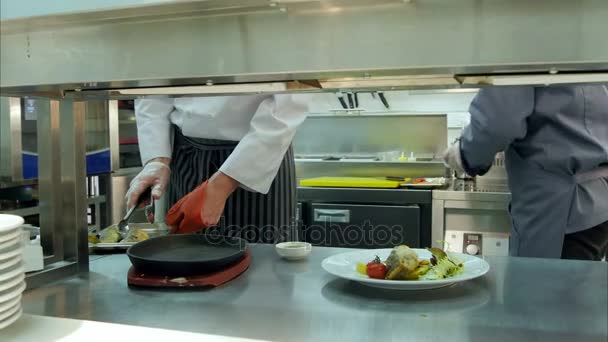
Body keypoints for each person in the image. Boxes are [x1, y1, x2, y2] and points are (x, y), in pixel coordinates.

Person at [443, 84, 608, 260]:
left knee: (537, 285)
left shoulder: (524, 55)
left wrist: (464, 154)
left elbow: (499, 120)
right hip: (597, 203)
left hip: (560, 211)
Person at [125, 95, 308, 242]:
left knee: (266, 268)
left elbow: (289, 104)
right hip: (185, 156)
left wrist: (223, 184)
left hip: (260, 156)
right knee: (182, 264)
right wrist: (157, 160)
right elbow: (152, 89)